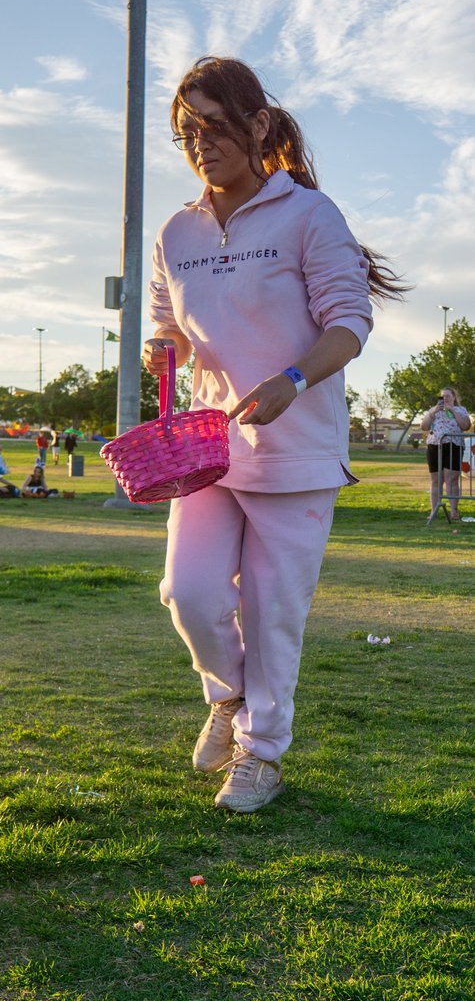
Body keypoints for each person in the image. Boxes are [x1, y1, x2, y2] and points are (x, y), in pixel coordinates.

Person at [143, 55, 407, 814]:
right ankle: (226, 700)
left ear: (257, 126)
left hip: (297, 453)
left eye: (216, 126)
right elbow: (170, 329)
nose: (201, 144)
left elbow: (348, 326)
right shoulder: (175, 231)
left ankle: (261, 754)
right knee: (186, 592)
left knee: (271, 613)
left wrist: (290, 383)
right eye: (187, 132)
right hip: (206, 451)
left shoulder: (309, 217)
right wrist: (165, 348)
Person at [420, 388, 470, 520]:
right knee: (436, 480)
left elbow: (465, 426)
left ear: (454, 397)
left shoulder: (461, 410)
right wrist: (433, 413)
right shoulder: (433, 410)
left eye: (448, 396)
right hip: (434, 445)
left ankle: (454, 511)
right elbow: (424, 427)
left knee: (451, 479)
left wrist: (452, 410)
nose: (445, 399)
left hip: (454, 445)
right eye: (443, 397)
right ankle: (434, 511)